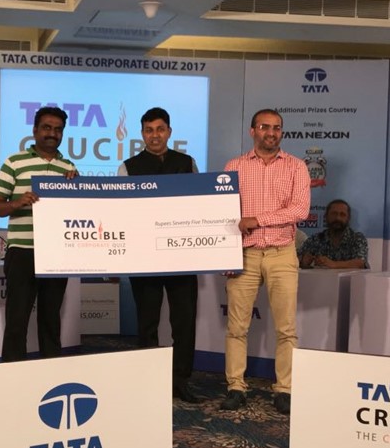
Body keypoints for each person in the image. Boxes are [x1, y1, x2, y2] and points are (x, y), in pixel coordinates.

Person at [221, 108, 310, 415]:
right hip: (244, 255)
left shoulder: (297, 167)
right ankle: (236, 386)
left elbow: (299, 210)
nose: (271, 133)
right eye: (265, 127)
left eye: (277, 128)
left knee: (286, 329)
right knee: (236, 327)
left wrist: (257, 220)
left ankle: (284, 389)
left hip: (282, 253)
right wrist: (226, 253)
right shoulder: (234, 166)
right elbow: (225, 213)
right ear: (252, 131)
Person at [117, 107, 201, 403]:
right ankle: (148, 381)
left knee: (184, 322)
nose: (155, 135)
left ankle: (181, 380)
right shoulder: (128, 167)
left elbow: (200, 204)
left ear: (169, 132)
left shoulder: (187, 163)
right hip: (145, 259)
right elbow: (121, 212)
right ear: (142, 134)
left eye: (160, 129)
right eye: (149, 130)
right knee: (147, 322)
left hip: (182, 257)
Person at [0, 106, 78, 362]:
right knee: (17, 320)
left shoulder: (68, 167)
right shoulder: (14, 162)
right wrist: (17, 203)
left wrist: (77, 186)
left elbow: (76, 211)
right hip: (22, 252)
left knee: (51, 321)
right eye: (47, 128)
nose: (52, 133)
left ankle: (51, 375)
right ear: (35, 130)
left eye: (58, 129)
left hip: (57, 255)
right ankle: (12, 375)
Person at [299, 199, 368, 269]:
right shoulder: (315, 239)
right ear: (326, 216)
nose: (338, 218)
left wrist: (333, 264)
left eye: (342, 215)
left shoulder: (357, 238)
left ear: (348, 218)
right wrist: (303, 262)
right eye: (334, 214)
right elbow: (297, 258)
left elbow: (360, 263)